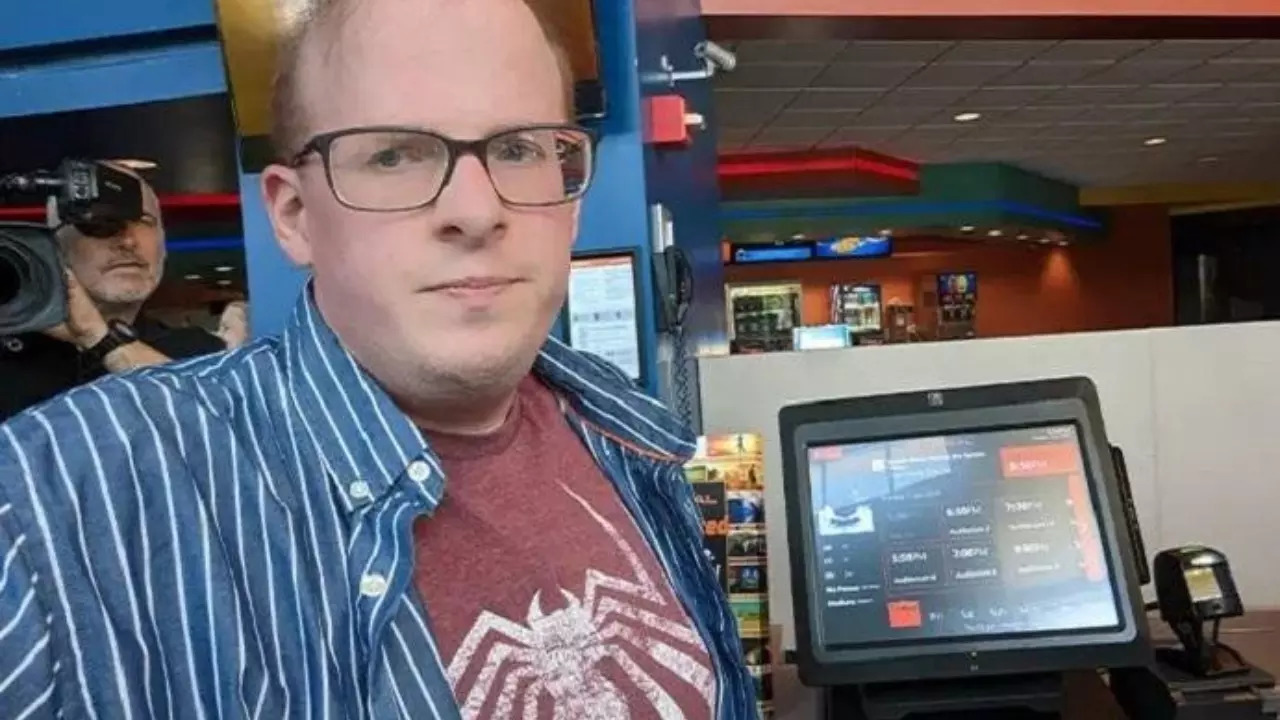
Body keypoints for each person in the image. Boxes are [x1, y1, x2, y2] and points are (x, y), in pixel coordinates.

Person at [0, 0, 755, 717]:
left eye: (520, 147)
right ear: (293, 216)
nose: (476, 210)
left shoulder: (628, 431)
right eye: (395, 154)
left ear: (570, 199)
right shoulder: (57, 507)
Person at [0, 169, 226, 421]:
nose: (128, 241)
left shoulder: (203, 354)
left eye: (145, 221)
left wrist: (99, 338)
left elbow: (212, 428)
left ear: (163, 244)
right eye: (99, 223)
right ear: (54, 244)